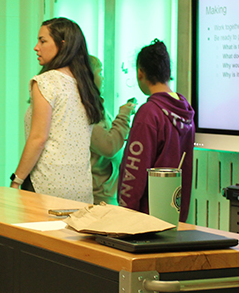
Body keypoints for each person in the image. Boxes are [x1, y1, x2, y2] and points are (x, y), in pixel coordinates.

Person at [10, 17, 103, 203]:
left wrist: (16, 180)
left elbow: (38, 138)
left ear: (63, 45)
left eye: (43, 41)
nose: (36, 47)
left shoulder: (46, 81)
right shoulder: (84, 84)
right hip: (80, 188)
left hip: (45, 184)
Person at [117, 39, 195, 221]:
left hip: (145, 220)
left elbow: (134, 172)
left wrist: (123, 216)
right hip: (174, 216)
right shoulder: (185, 110)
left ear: (140, 73)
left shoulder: (149, 114)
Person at [89, 55, 136, 205]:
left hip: (106, 192)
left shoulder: (96, 106)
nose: (103, 79)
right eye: (100, 72)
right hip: (99, 196)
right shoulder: (87, 110)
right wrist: (124, 116)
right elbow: (109, 146)